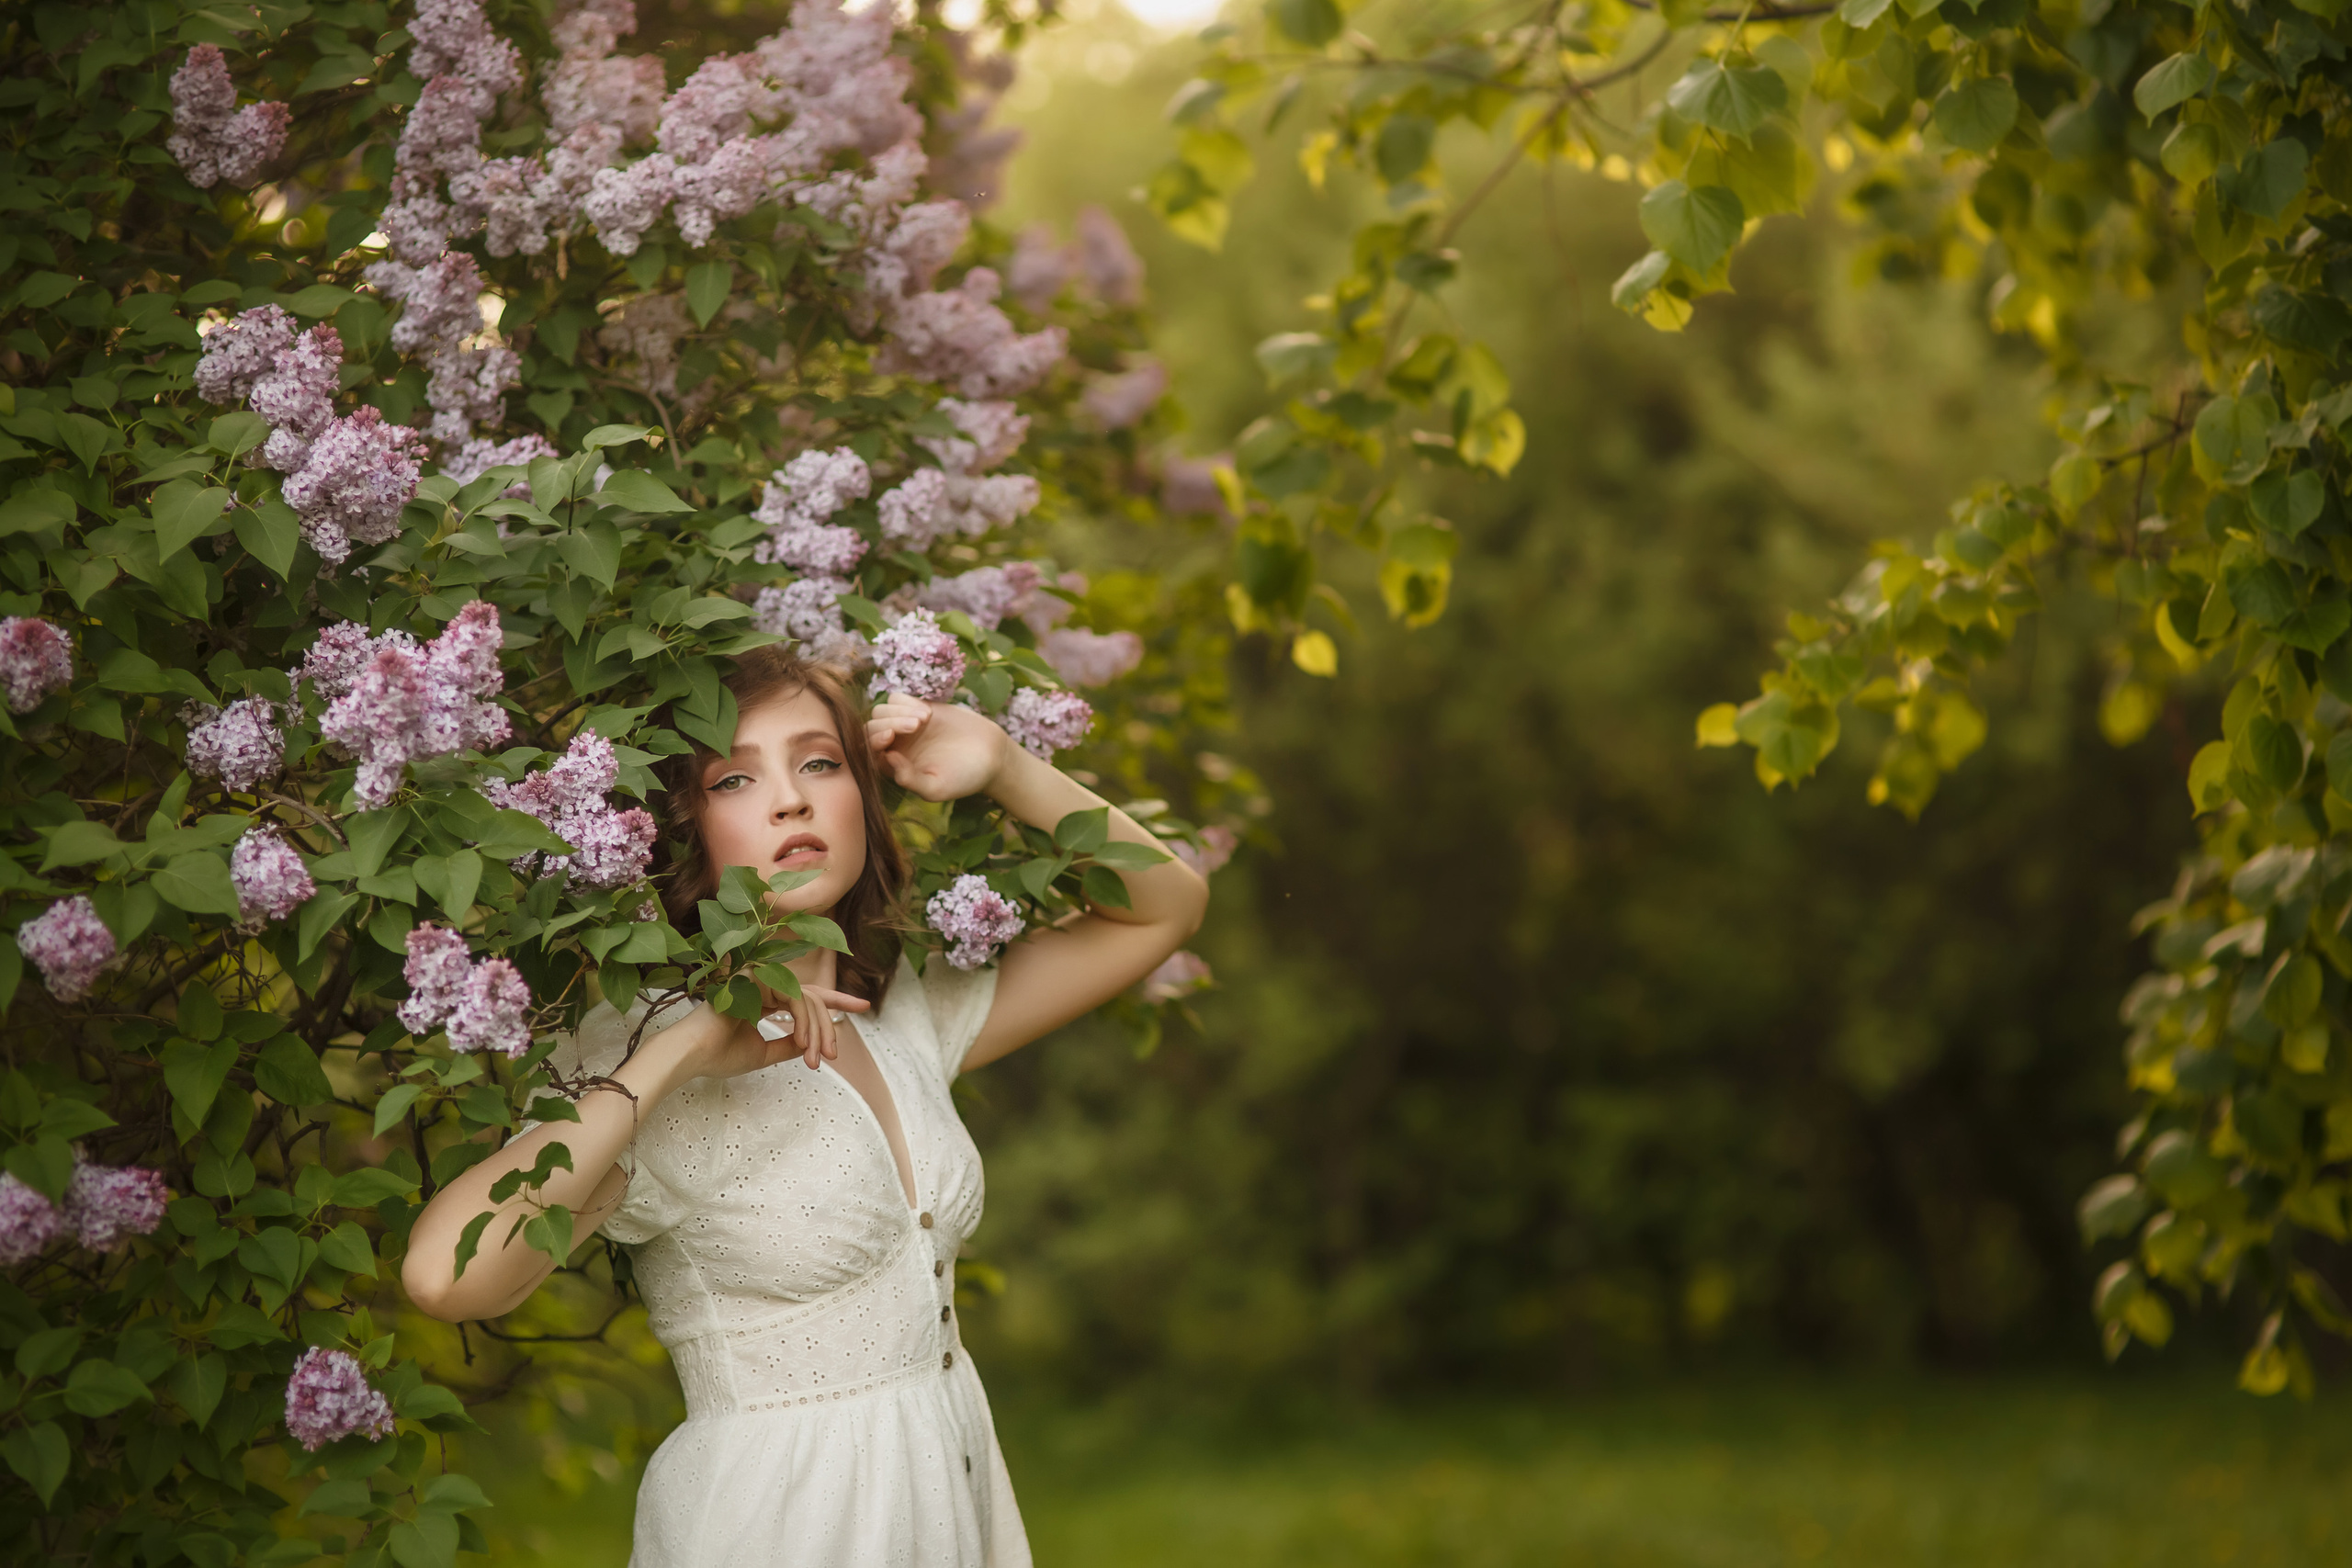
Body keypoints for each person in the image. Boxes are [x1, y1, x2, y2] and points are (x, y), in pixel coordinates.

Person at [401, 645, 1209, 1566]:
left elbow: (1164, 907)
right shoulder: (644, 1055)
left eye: (819, 763)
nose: (790, 798)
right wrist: (691, 1047)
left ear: (861, 800)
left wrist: (1004, 765)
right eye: (735, 779)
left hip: (943, 1497)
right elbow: (443, 1277)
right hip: (776, 1524)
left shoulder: (902, 1011)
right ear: (685, 830)